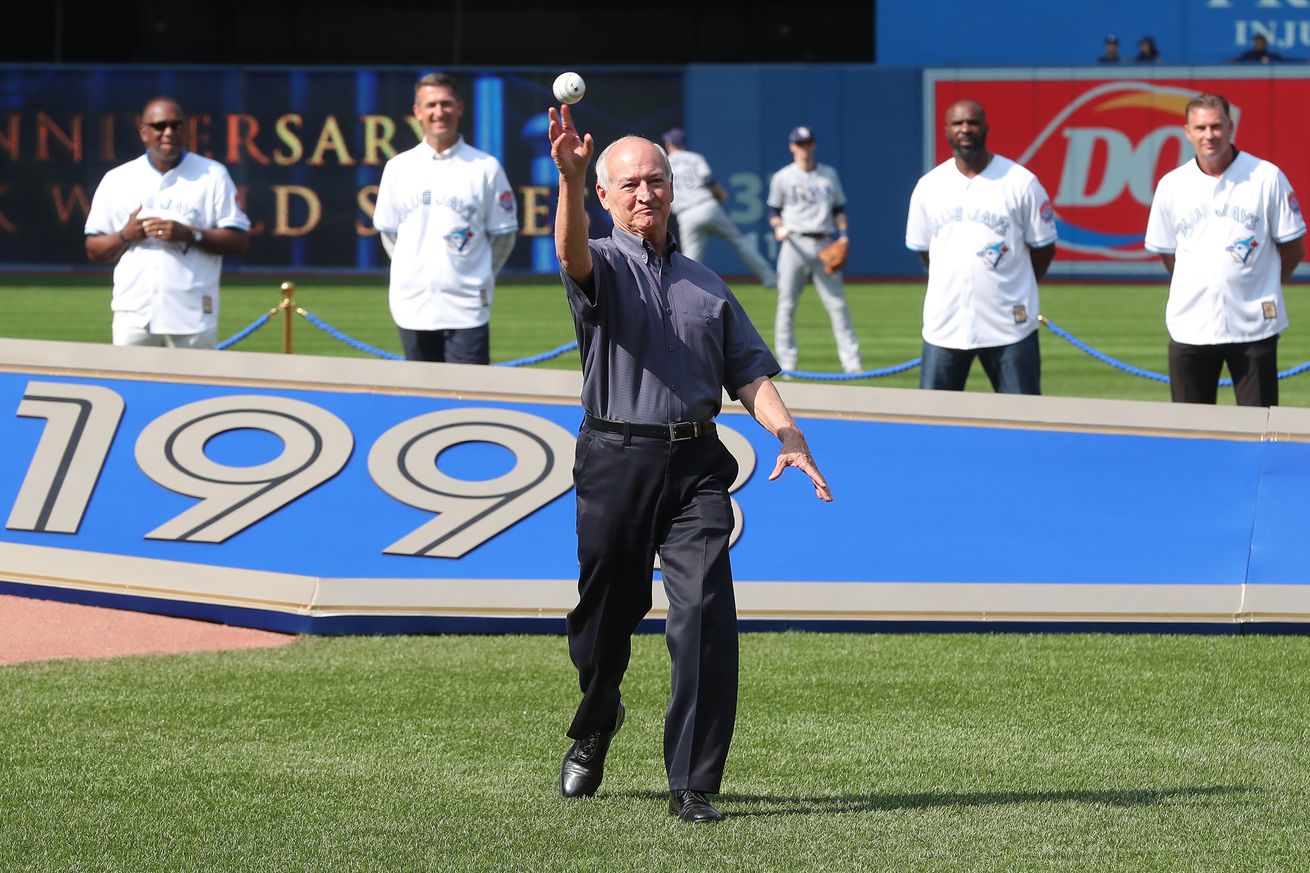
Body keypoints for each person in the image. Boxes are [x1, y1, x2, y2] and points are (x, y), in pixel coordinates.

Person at [548, 103, 832, 824]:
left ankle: (693, 783)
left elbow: (748, 372)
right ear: (608, 197)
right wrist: (571, 184)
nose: (646, 194)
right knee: (604, 623)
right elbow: (570, 253)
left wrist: (786, 432)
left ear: (674, 189)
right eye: (630, 185)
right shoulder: (600, 264)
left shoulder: (708, 284)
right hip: (615, 459)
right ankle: (596, 719)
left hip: (698, 465)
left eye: (656, 181)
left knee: (704, 613)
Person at [1144, 93, 1306, 406]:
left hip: (1253, 326)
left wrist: (1262, 282)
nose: (1209, 135)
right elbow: (1167, 253)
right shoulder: (1172, 185)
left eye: (1216, 126)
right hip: (1190, 324)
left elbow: (1293, 247)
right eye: (1201, 128)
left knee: (1259, 429)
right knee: (1191, 431)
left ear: (1231, 127)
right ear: (1187, 132)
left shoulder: (1266, 177)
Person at [904, 100, 1057, 394]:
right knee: (933, 423)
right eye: (957, 123)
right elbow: (924, 251)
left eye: (972, 122)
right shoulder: (929, 186)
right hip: (945, 325)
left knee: (1023, 422)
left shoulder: (1020, 182)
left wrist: (1017, 286)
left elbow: (1044, 248)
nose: (965, 129)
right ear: (946, 130)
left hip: (1009, 327)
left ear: (985, 128)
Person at [373, 72, 518, 364]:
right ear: (418, 112)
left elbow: (504, 234)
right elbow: (389, 233)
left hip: (466, 308)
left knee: (469, 400)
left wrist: (479, 275)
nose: (439, 112)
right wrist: (411, 270)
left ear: (460, 108)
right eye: (431, 105)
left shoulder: (485, 167)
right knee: (421, 400)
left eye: (446, 103)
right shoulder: (398, 168)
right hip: (411, 305)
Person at [84, 97, 250, 349]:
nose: (169, 132)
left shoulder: (212, 174)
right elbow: (93, 248)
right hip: (134, 312)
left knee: (194, 387)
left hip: (192, 313)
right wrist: (125, 235)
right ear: (144, 132)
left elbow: (238, 241)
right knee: (131, 386)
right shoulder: (117, 179)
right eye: (160, 126)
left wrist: (190, 234)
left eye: (176, 125)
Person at [766, 126, 863, 374]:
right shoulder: (783, 177)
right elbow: (774, 212)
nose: (804, 148)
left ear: (814, 145)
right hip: (794, 243)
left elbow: (839, 210)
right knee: (787, 304)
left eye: (808, 143)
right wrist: (779, 227)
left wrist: (844, 238)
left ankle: (852, 363)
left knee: (837, 304)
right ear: (792, 147)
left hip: (824, 241)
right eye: (800, 144)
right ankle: (787, 363)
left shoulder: (828, 175)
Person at [661, 128, 776, 287]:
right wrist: (721, 193)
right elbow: (708, 180)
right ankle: (769, 277)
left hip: (686, 215)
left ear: (670, 143)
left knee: (691, 259)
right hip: (707, 206)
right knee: (740, 242)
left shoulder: (664, 162)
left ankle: (687, 288)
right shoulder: (694, 157)